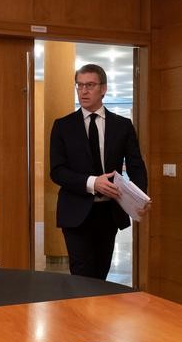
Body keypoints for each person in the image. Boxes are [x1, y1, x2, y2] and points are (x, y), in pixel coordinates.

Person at [50, 63, 148, 280]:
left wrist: (139, 198)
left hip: (109, 213)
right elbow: (57, 171)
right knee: (82, 275)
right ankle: (80, 313)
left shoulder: (122, 125)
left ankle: (96, 314)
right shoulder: (63, 126)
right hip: (75, 212)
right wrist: (92, 182)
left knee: (100, 274)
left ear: (103, 89)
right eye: (80, 85)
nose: (83, 91)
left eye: (90, 85)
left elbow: (136, 165)